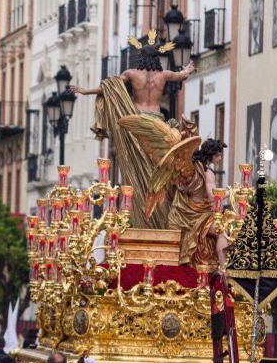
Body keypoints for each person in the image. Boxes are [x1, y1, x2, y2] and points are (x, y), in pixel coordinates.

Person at [71, 29, 196, 229]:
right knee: (157, 170)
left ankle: (138, 215)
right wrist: (189, 68)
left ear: (141, 57)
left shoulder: (132, 74)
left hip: (137, 125)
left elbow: (110, 88)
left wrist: (85, 91)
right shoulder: (163, 75)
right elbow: (182, 75)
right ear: (157, 59)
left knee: (136, 172)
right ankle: (158, 217)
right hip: (158, 124)